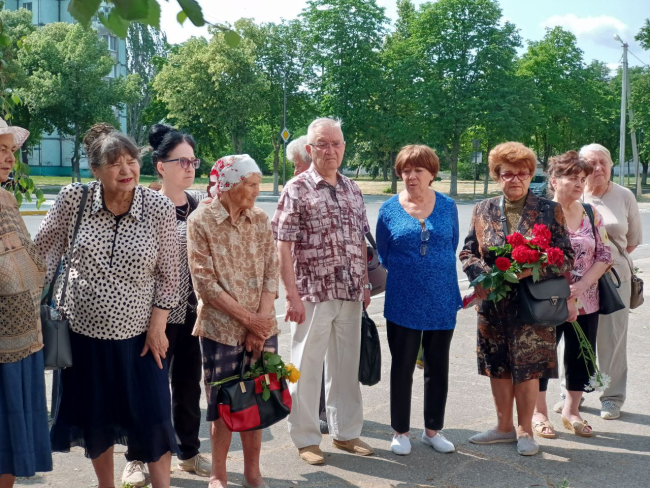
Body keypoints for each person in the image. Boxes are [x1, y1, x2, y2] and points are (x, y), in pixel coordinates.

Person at [35, 123, 180, 488]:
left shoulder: (158, 207)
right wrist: (26, 298)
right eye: (115, 163)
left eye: (131, 160)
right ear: (96, 170)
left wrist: (158, 327)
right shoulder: (75, 199)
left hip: (142, 339)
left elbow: (169, 275)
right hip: (83, 336)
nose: (126, 170)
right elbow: (44, 253)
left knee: (154, 418)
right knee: (96, 420)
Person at [459, 142, 574, 456]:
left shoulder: (549, 210)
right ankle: (503, 428)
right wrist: (482, 277)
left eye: (522, 173)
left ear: (530, 175)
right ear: (497, 176)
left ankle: (525, 431)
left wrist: (529, 269)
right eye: (507, 173)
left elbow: (566, 257)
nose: (515, 179)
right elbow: (468, 252)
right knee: (497, 364)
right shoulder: (482, 209)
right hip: (493, 303)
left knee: (529, 365)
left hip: (533, 303)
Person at [272, 117, 373, 466]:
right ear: (309, 149)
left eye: (336, 143)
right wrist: (291, 295)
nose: (330, 150)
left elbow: (360, 239)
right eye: (322, 144)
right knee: (306, 366)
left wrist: (365, 283)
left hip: (349, 289)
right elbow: (282, 245)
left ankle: (346, 432)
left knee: (345, 366)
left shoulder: (352, 188)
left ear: (344, 147)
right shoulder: (296, 188)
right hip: (312, 292)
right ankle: (306, 438)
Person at [121, 124, 211, 485]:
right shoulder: (142, 204)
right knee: (147, 390)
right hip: (150, 318)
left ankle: (188, 453)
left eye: (193, 161)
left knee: (188, 387)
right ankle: (136, 458)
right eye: (181, 161)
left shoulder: (199, 204)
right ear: (160, 166)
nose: (190, 168)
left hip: (191, 314)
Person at [187, 155, 279, 488]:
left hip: (262, 327)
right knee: (221, 405)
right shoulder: (201, 220)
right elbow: (205, 284)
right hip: (221, 331)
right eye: (251, 184)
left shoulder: (260, 218)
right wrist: (250, 321)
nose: (257, 190)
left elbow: (272, 271)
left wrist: (260, 323)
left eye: (257, 184)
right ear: (229, 185)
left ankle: (253, 472)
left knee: (256, 400)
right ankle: (219, 474)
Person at [376, 145, 461, 456]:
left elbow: (451, 243)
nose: (411, 176)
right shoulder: (388, 209)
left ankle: (432, 430)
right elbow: (384, 253)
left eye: (418, 170)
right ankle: (400, 431)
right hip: (403, 299)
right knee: (402, 366)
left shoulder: (448, 205)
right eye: (405, 170)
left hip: (442, 297)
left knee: (438, 366)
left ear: (432, 173)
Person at [534, 151, 612, 438]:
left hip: (586, 301)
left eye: (582, 178)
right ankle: (539, 412)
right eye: (572, 178)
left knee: (580, 356)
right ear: (554, 181)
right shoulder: (539, 213)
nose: (580, 183)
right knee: (542, 357)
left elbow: (605, 255)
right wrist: (564, 294)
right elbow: (532, 259)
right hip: (547, 301)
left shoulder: (591, 213)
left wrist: (581, 287)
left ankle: (572, 411)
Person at [0, 120, 53, 487]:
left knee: (9, 449)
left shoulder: (6, 197)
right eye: (1, 150)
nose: (9, 158)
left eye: (10, 151)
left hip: (24, 340)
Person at [579, 143, 642, 420]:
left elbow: (632, 241)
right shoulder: (574, 192)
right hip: (579, 280)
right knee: (575, 336)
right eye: (591, 163)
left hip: (616, 279)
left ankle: (612, 398)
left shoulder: (624, 195)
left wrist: (606, 263)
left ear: (611, 165)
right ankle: (572, 392)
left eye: (603, 162)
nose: (598, 168)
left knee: (612, 339)